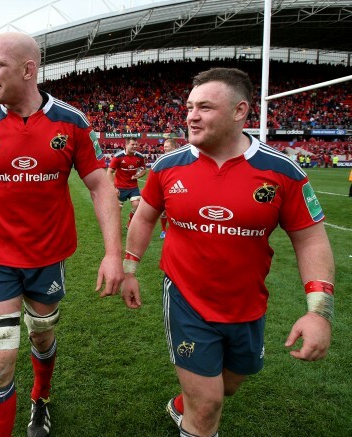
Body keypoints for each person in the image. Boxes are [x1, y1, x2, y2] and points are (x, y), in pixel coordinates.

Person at [121, 68, 335, 437]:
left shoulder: (281, 171)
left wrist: (320, 312)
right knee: (208, 406)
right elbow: (143, 219)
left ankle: (182, 405)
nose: (191, 116)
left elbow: (311, 239)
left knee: (229, 385)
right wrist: (129, 268)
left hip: (246, 303)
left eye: (205, 107)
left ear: (239, 111)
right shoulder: (168, 166)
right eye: (189, 106)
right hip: (187, 297)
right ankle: (195, 412)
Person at [0, 31, 124, 437]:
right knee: (0, 361)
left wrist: (114, 253)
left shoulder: (71, 122)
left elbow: (100, 185)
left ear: (28, 70)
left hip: (48, 258)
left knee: (42, 340)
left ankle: (40, 398)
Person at [107, 138, 148, 228]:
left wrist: (138, 176)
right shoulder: (118, 157)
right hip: (120, 187)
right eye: (132, 144)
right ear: (126, 145)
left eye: (136, 145)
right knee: (117, 209)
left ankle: (130, 223)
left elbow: (144, 170)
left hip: (133, 187)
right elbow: (109, 171)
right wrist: (113, 188)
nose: (135, 146)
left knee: (137, 205)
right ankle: (113, 226)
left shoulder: (140, 157)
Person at [158, 138, 178, 239]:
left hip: (180, 188)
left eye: (167, 146)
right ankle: (163, 230)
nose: (164, 148)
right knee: (164, 211)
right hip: (166, 188)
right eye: (164, 147)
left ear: (173, 147)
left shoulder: (182, 158)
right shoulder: (162, 160)